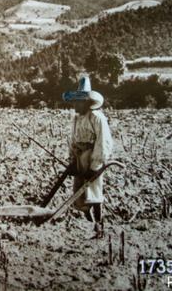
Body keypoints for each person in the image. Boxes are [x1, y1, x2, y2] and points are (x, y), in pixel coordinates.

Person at [65, 76, 112, 237]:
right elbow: (72, 140)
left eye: (79, 102)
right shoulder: (76, 118)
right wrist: (72, 159)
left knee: (94, 192)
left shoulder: (97, 118)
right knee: (80, 193)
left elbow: (103, 141)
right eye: (75, 101)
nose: (75, 105)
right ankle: (91, 223)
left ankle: (99, 225)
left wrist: (96, 165)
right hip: (79, 157)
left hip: (92, 157)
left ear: (86, 103)